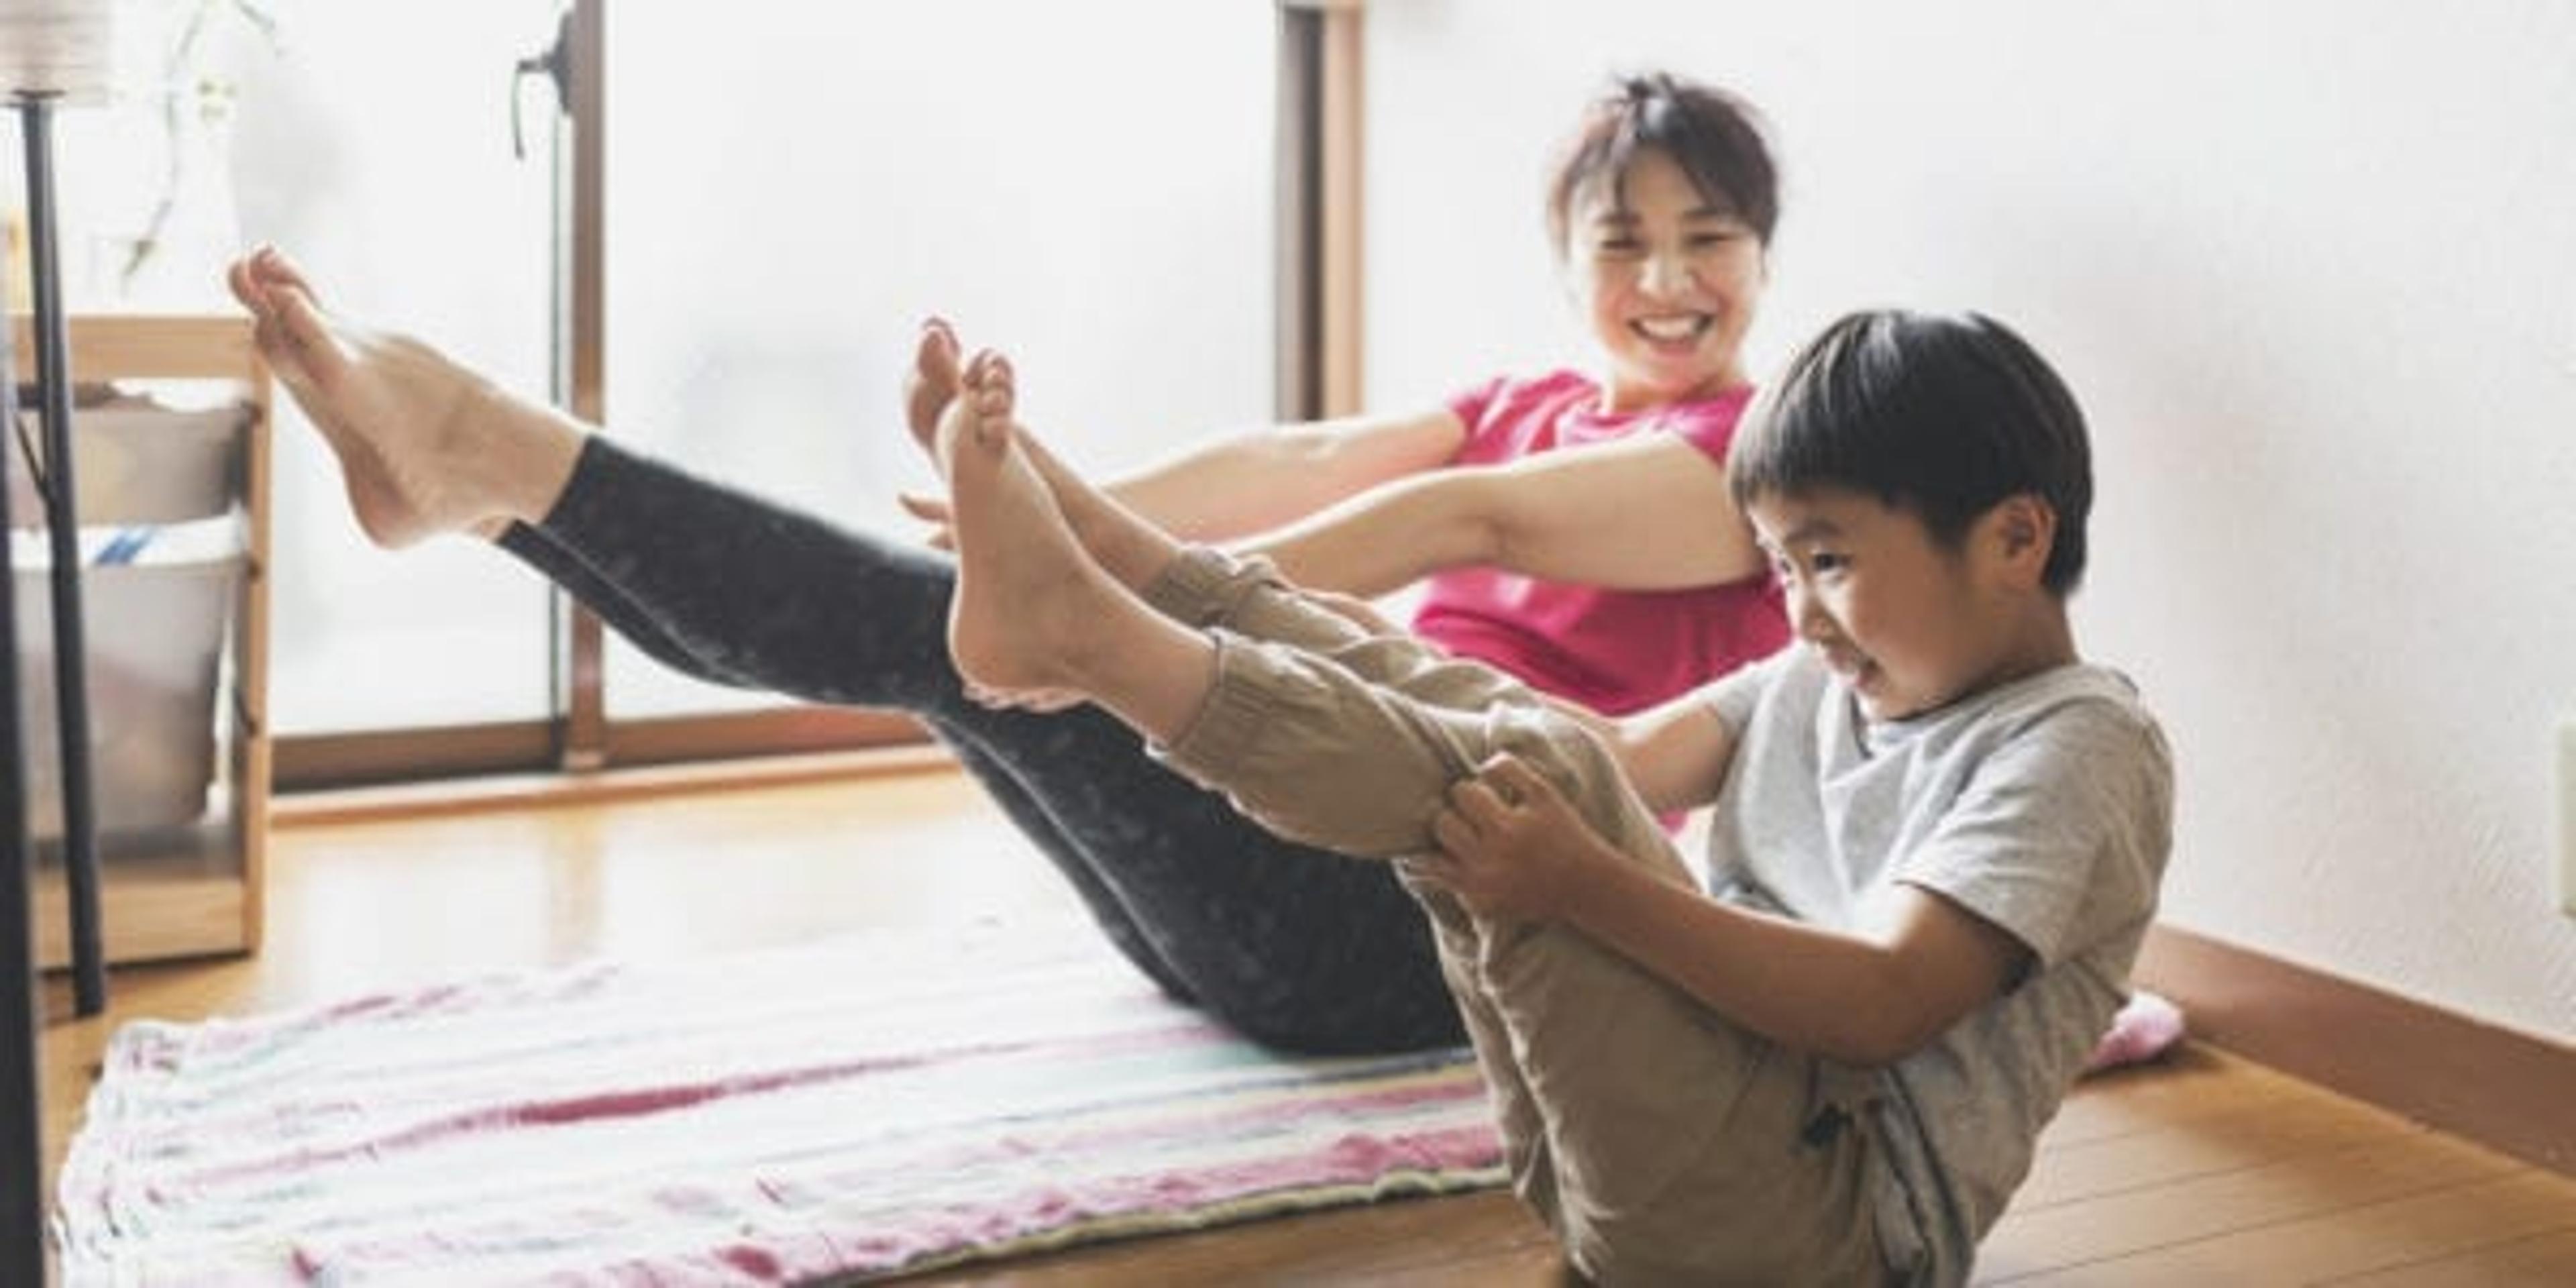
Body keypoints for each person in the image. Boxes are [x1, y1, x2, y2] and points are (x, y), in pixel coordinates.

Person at [223, 70, 1791, 1056]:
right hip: (1299, 878)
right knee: (957, 655)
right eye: (1619, 241)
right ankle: (491, 490)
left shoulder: (1750, 463)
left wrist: (1135, 585)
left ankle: (489, 462)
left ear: (1761, 257)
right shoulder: (1517, 403)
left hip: (1446, 940)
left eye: (1706, 237)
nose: (1664, 278)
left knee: (953, 638)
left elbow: (1479, 522)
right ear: (1568, 261)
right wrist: (1061, 490)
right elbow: (1300, 458)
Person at [914, 311, 2172, 1285]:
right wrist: (1366, 648)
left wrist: (1585, 884)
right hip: (1625, 1164)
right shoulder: (1817, 675)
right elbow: (1612, 756)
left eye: (1829, 562)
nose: (1798, 611)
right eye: (1783, 565)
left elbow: (1881, 1003)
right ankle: (1123, 570)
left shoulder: (2079, 747)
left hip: (1815, 1236)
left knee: (1540, 783)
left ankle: (1096, 639)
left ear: (2013, 541)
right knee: (1511, 731)